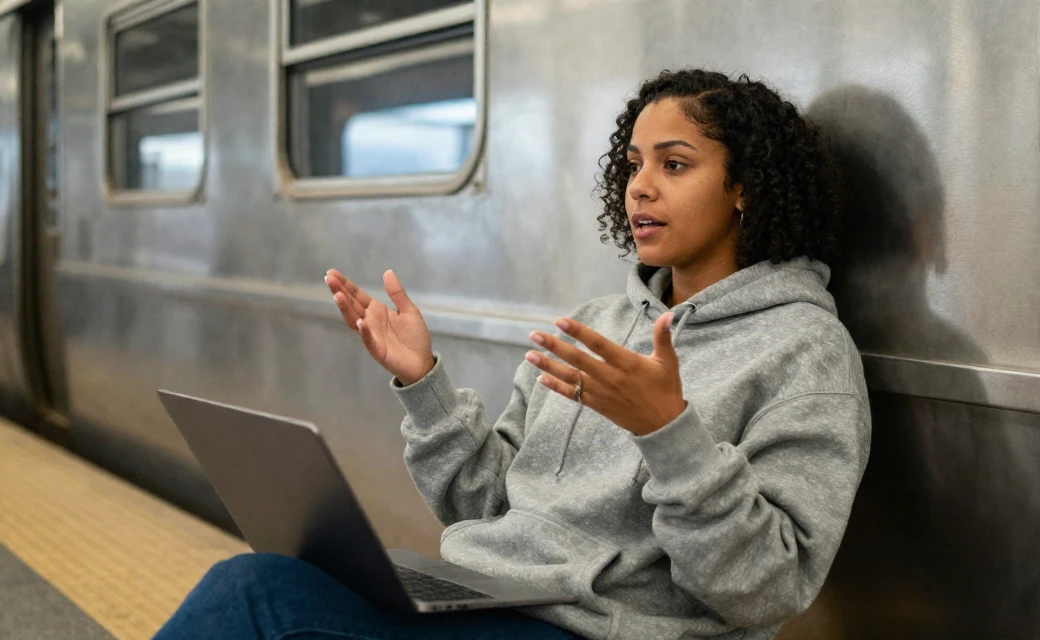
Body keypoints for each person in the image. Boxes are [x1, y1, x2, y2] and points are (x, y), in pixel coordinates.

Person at [155, 69, 871, 640]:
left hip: (605, 631)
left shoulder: (805, 353)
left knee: (255, 599)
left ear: (745, 187)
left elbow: (766, 589)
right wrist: (423, 384)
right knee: (272, 573)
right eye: (632, 165)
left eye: (674, 164)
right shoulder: (596, 324)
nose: (640, 188)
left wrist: (668, 433)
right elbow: (491, 505)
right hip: (488, 602)